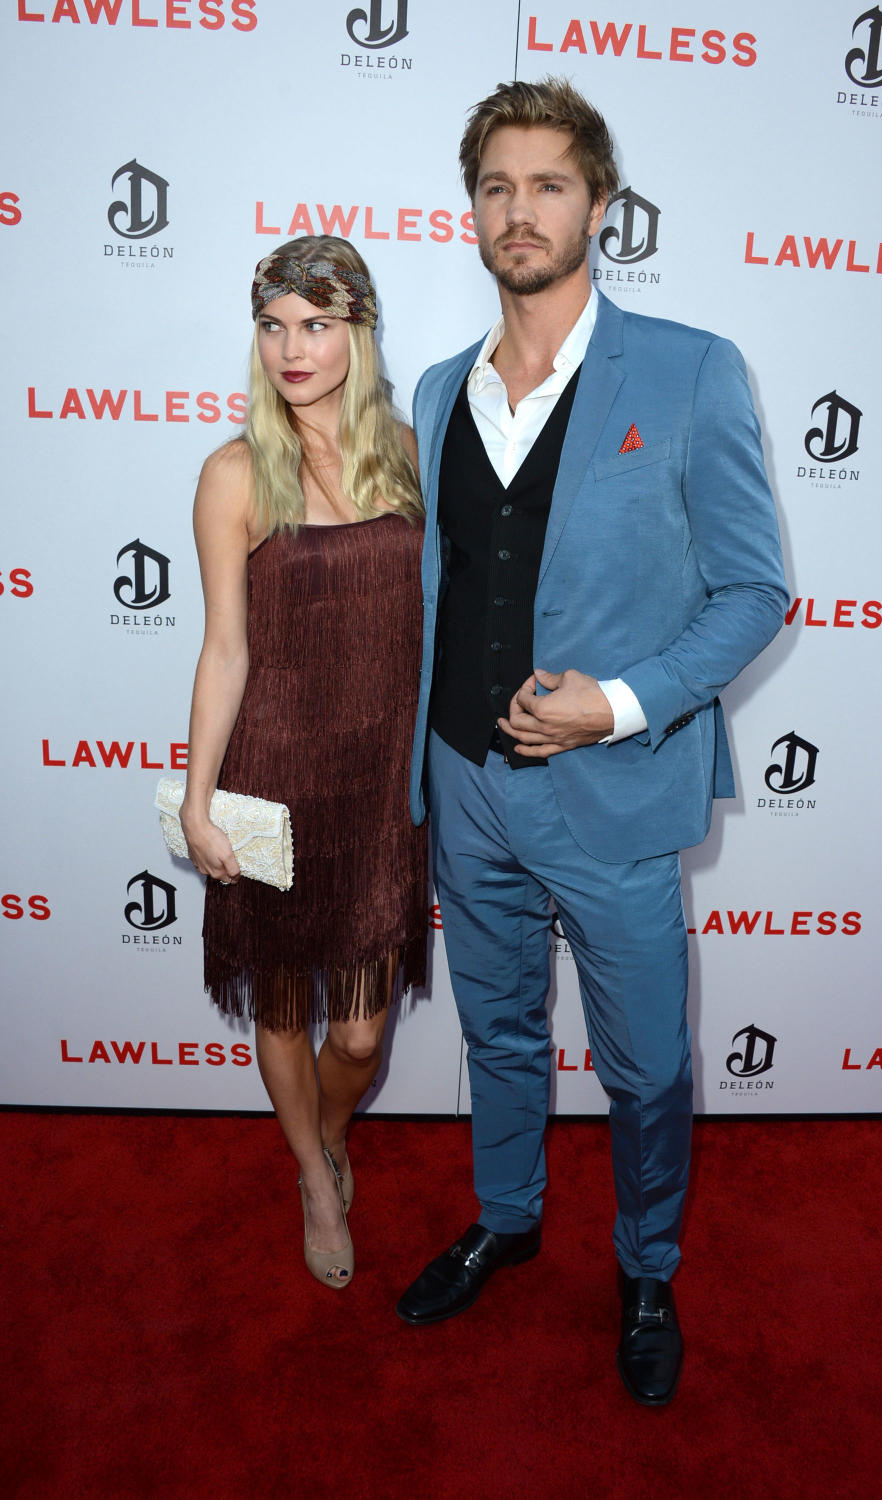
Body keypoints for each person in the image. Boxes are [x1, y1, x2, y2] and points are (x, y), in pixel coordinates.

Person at [395, 79, 787, 1403]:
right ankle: (508, 1221)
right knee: (498, 1032)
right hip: (464, 784)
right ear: (473, 212)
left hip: (612, 793)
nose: (521, 209)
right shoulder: (440, 388)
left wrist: (614, 703)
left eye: (549, 184)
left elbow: (753, 593)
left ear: (598, 207)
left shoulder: (689, 369)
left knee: (649, 1064)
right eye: (496, 186)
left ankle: (646, 1264)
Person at [181, 235, 427, 1291]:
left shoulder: (411, 456)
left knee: (362, 1033)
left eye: (317, 324)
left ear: (357, 333)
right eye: (274, 325)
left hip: (380, 787)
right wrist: (200, 804)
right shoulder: (235, 472)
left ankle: (327, 1131)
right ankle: (315, 1177)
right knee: (284, 1002)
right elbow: (225, 648)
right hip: (273, 775)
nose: (293, 348)